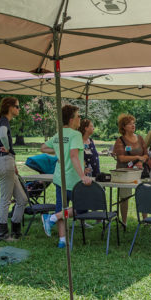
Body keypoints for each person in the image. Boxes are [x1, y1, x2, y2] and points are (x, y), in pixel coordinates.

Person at [41, 105, 92, 248]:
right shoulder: (75, 135)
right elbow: (74, 156)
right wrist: (82, 176)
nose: (80, 119)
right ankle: (51, 218)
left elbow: (43, 147)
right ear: (71, 120)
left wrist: (58, 150)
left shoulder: (59, 134)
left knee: (62, 208)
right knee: (83, 207)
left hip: (59, 177)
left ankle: (62, 240)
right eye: (78, 116)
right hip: (73, 178)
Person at [0, 97, 28, 241]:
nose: (19, 109)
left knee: (22, 199)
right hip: (4, 162)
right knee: (5, 200)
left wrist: (13, 164)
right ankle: (3, 234)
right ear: (10, 107)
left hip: (7, 163)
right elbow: (2, 134)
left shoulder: (2, 121)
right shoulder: (3, 122)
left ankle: (16, 231)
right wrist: (7, 147)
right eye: (17, 107)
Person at [113, 113, 149, 226]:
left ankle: (145, 220)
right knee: (124, 197)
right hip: (124, 174)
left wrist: (140, 161)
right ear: (123, 127)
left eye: (134, 123)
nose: (133, 125)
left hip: (139, 173)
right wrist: (137, 157)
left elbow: (146, 154)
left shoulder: (140, 138)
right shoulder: (120, 140)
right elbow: (121, 158)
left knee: (144, 194)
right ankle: (124, 221)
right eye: (129, 124)